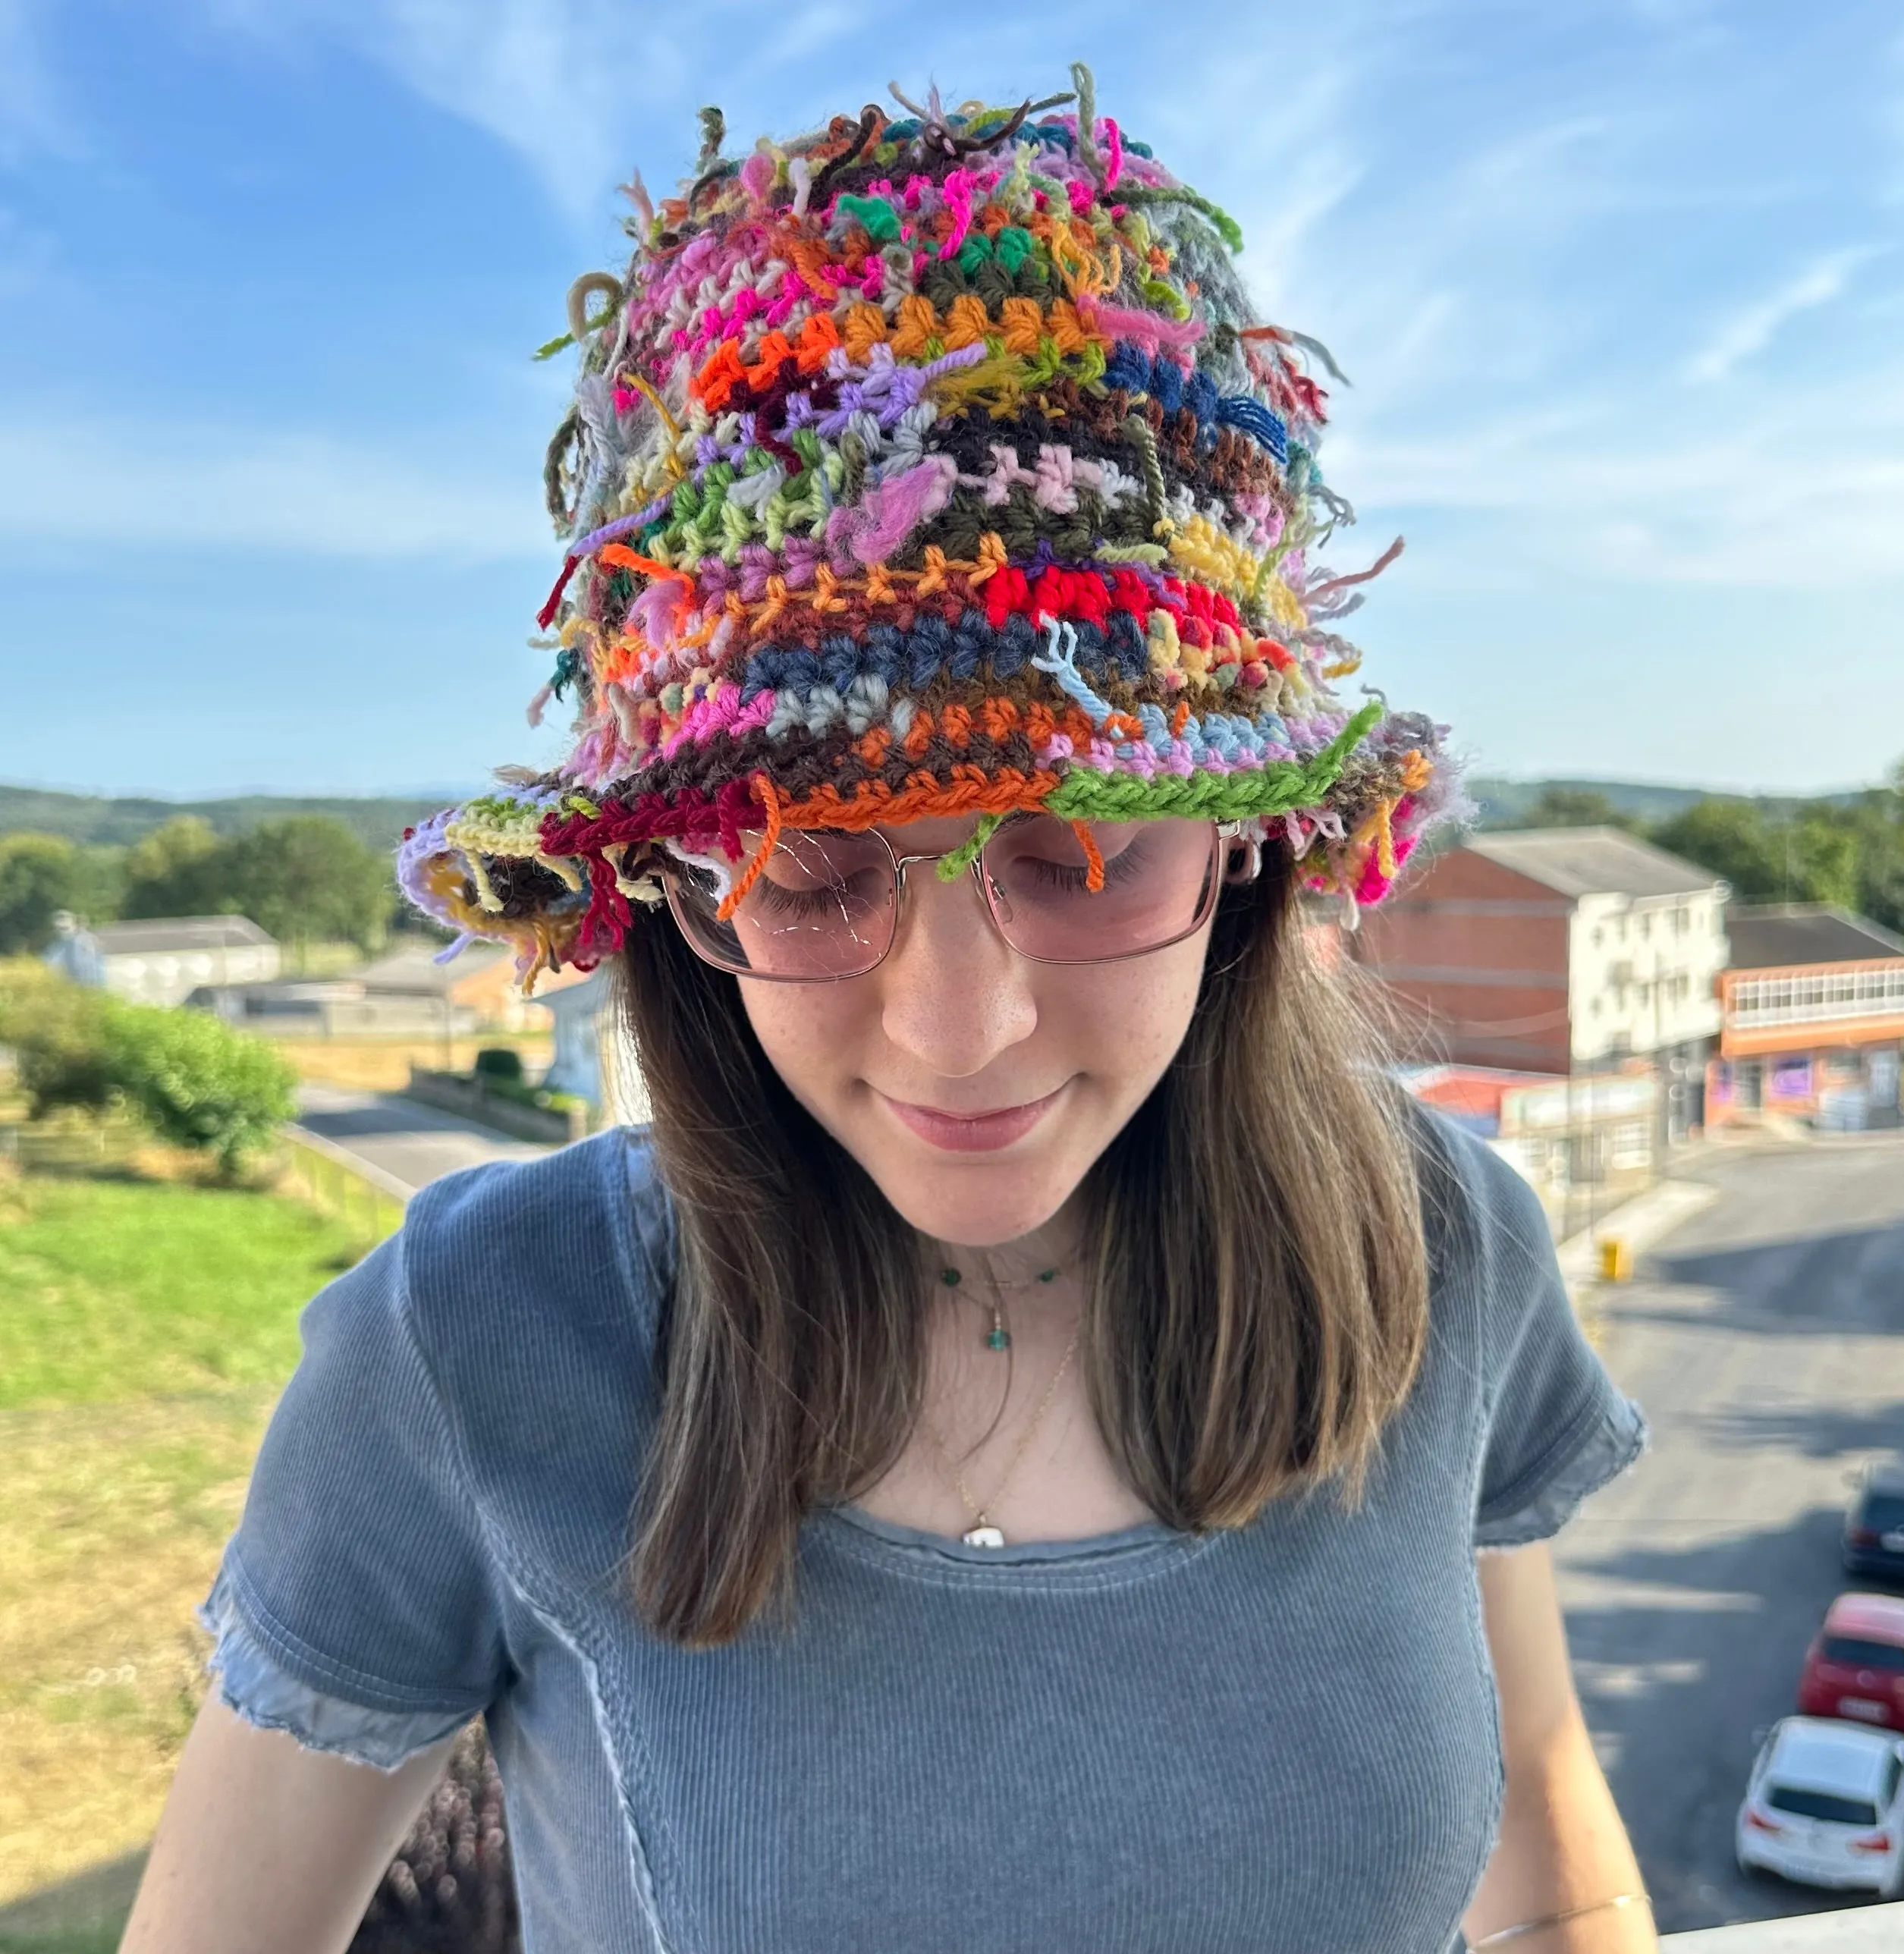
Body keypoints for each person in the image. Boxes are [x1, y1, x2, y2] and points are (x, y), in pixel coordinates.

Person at [122, 68, 1654, 1954]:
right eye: (812, 869)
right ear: (679, 900)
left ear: (1249, 853)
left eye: (1081, 855)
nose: (959, 1029)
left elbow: (1545, 1838)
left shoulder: (1443, 1253)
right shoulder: (468, 1347)